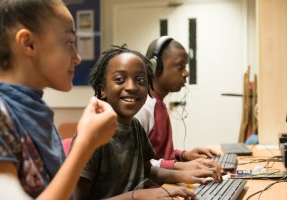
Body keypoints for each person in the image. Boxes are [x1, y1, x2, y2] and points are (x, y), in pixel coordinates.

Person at [0, 0, 117, 199]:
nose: (77, 57)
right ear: (28, 43)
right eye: (69, 42)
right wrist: (85, 144)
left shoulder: (36, 109)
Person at [75, 45, 222, 200]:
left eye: (140, 80)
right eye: (119, 80)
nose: (131, 87)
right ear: (102, 89)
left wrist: (185, 175)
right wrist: (137, 196)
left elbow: (148, 169)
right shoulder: (92, 135)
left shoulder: (135, 126)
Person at [135, 36, 221, 171]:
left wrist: (184, 155)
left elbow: (157, 155)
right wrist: (180, 166)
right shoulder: (143, 107)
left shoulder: (158, 103)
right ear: (156, 68)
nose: (186, 73)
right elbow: (137, 163)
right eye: (180, 66)